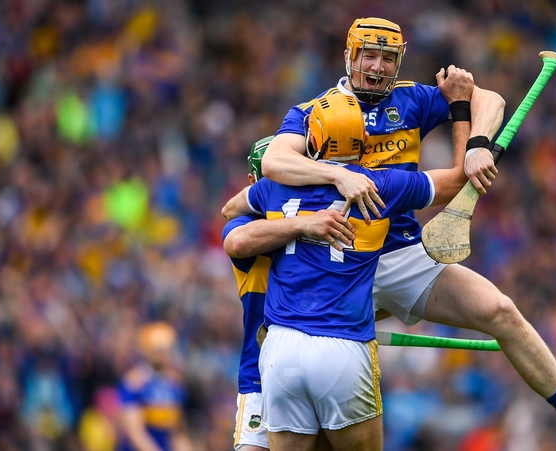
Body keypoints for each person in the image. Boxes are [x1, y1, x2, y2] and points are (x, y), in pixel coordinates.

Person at [258, 17, 556, 451]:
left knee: (500, 310)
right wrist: (341, 176)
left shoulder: (411, 100)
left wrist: (477, 142)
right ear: (349, 57)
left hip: (399, 253)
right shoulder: (313, 113)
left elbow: (491, 100)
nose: (379, 67)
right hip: (334, 266)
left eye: (388, 57)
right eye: (370, 55)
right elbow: (275, 160)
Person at [245, 90, 466, 451]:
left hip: (280, 346)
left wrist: (297, 221)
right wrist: (461, 117)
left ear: (311, 138)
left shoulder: (274, 185)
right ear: (363, 140)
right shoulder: (380, 185)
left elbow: (233, 212)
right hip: (342, 346)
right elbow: (457, 181)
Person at [222, 136, 353, 451]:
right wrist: (303, 224)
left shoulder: (329, 223)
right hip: (260, 379)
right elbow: (237, 242)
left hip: (323, 373)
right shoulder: (244, 223)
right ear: (254, 184)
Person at [118, 322, 192, 451]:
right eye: (158, 349)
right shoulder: (135, 382)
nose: (163, 354)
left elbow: (178, 432)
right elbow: (135, 432)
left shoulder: (175, 383)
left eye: (167, 348)